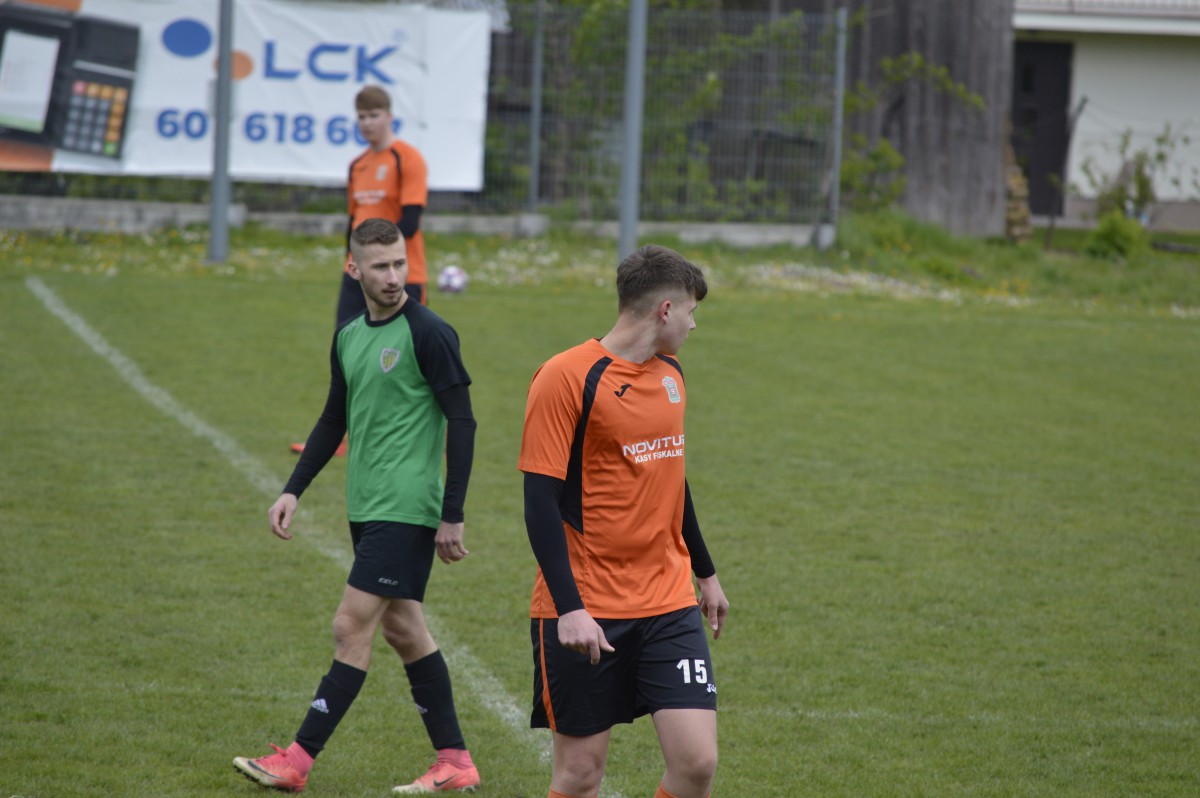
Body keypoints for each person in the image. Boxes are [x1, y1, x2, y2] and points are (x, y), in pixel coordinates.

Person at [235, 218, 481, 795]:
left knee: (350, 626)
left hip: (407, 505)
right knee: (403, 628)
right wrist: (293, 488)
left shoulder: (430, 333)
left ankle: (297, 760)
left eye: (399, 264)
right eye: (380, 266)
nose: (394, 276)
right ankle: (455, 761)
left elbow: (463, 421)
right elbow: (333, 419)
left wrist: (452, 512)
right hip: (366, 505)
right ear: (354, 269)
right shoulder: (348, 336)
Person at [518, 245, 730, 798]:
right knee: (580, 775)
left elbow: (670, 477)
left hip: (668, 599)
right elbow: (539, 501)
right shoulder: (564, 377)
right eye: (691, 312)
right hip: (589, 605)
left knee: (697, 763)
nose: (693, 325)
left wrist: (705, 572)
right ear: (665, 309)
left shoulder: (671, 374)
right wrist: (570, 608)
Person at [292, 84, 430, 455]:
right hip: (356, 275)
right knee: (348, 351)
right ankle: (343, 434)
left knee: (407, 358)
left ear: (389, 117)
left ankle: (429, 431)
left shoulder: (407, 159)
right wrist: (353, 263)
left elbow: (410, 222)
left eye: (374, 115)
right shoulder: (358, 165)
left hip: (401, 276)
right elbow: (352, 222)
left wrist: (381, 262)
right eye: (362, 117)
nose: (368, 123)